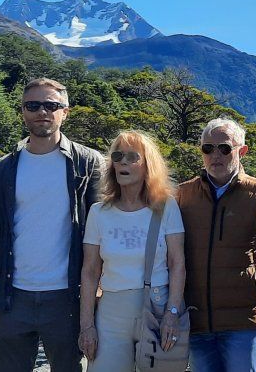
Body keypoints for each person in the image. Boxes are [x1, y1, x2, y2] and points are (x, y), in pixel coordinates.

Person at [0, 78, 105, 372]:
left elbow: (102, 233)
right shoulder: (3, 170)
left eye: (51, 105)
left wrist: (97, 296)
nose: (42, 112)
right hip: (12, 296)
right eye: (33, 105)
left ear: (65, 112)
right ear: (22, 111)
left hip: (68, 298)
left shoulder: (89, 164)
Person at [78, 130, 187, 371]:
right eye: (118, 156)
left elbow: (176, 263)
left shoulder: (166, 207)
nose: (123, 162)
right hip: (110, 313)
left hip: (156, 308)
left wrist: (172, 312)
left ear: (148, 165)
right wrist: (87, 325)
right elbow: (90, 271)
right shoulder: (99, 212)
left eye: (132, 156)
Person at [178, 117, 256, 372]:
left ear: (241, 151)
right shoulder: (181, 195)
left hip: (243, 321)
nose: (215, 155)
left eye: (224, 148)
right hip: (196, 317)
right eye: (207, 148)